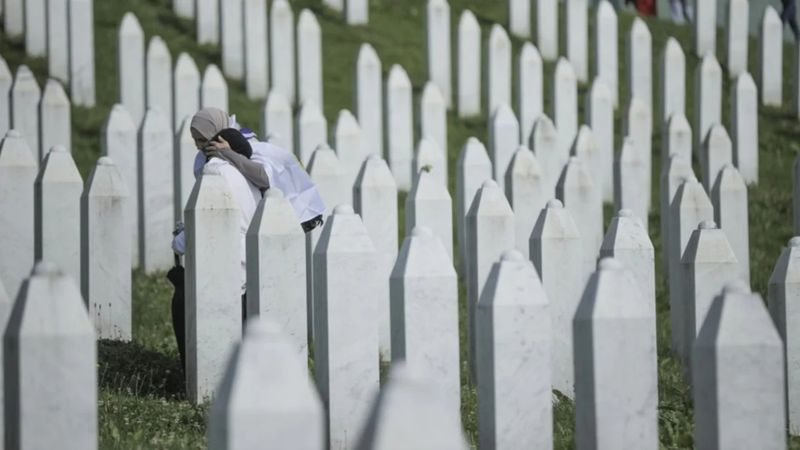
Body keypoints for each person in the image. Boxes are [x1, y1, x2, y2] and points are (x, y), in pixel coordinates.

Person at [168, 109, 262, 372]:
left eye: (201, 139)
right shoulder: (245, 171)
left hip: (225, 264)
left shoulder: (214, 173)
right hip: (250, 263)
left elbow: (198, 232)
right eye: (195, 140)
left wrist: (179, 238)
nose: (199, 146)